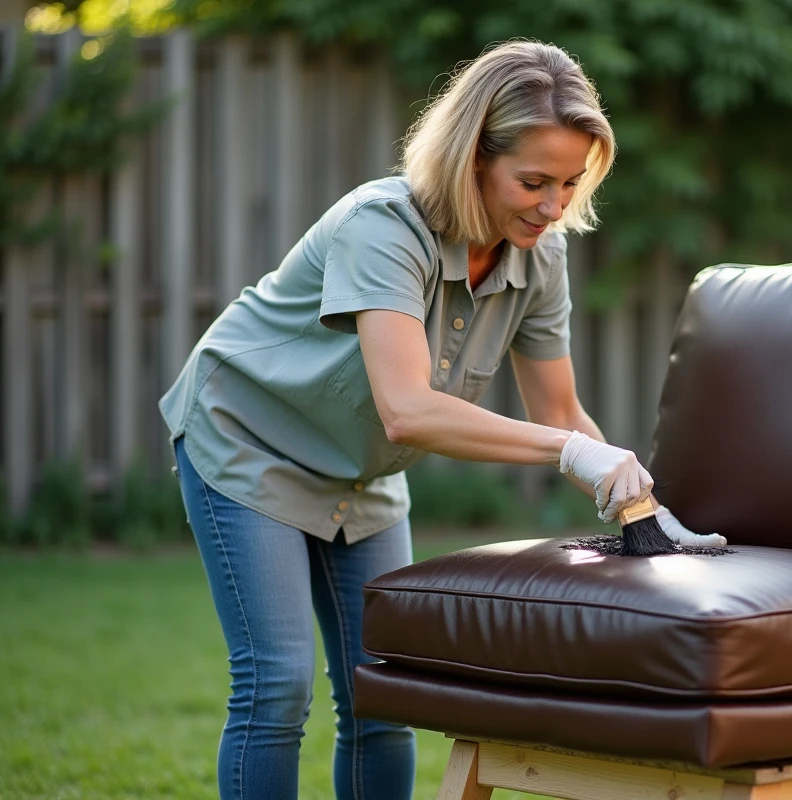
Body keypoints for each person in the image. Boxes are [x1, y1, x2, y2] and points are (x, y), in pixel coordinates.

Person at [160, 39, 724, 800]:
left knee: (386, 692)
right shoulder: (383, 228)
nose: (553, 207)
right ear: (472, 160)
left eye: (568, 182)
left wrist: (647, 503)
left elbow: (558, 411)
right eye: (532, 182)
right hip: (249, 442)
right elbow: (407, 409)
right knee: (278, 685)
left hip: (359, 472)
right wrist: (569, 452)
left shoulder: (539, 257)